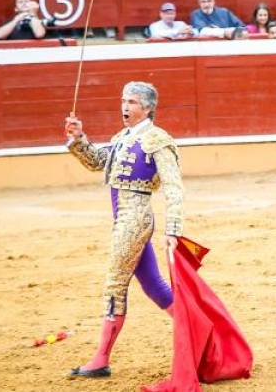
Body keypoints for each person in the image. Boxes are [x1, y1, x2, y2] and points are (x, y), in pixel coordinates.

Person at [63, 82, 184, 379]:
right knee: (153, 283)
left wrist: (173, 229)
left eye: (131, 102)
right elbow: (98, 162)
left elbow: (174, 186)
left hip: (134, 218)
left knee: (115, 284)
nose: (125, 107)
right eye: (123, 101)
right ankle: (197, 330)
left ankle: (100, 359)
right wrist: (78, 139)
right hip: (123, 218)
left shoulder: (158, 139)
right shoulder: (123, 137)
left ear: (147, 107)